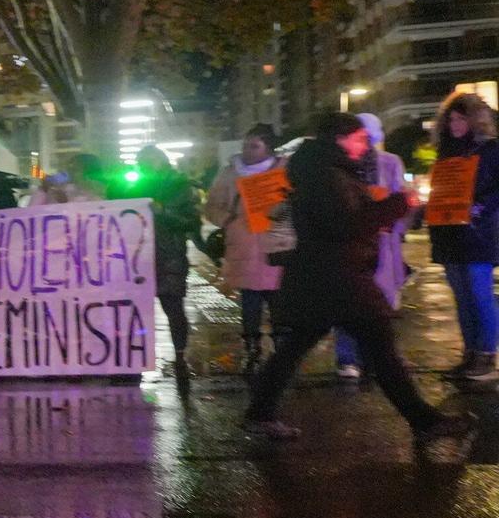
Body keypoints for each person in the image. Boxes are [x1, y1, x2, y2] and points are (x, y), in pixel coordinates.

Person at [244, 111, 471, 447]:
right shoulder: (327, 174)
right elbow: (347, 225)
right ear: (341, 138)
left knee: (294, 349)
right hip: (339, 278)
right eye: (360, 137)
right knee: (382, 348)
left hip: (322, 277)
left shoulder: (322, 169)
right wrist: (400, 202)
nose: (366, 143)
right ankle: (424, 421)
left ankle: (259, 414)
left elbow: (342, 219)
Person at [427, 91, 499, 383]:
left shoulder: (490, 150)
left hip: (477, 232)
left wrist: (480, 206)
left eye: (461, 118)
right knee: (461, 296)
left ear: (475, 119)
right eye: (451, 119)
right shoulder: (446, 152)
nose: (455, 124)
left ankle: (486, 356)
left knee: (479, 294)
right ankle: (470, 353)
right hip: (448, 232)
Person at [333, 114, 411, 381]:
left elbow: (400, 199)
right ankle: (348, 358)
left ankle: (376, 359)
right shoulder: (341, 166)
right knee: (349, 300)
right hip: (353, 243)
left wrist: (396, 225)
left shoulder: (390, 163)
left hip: (382, 243)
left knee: (378, 304)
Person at [204, 125, 286, 377]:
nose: (247, 151)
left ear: (269, 148)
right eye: (245, 146)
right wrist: (229, 220)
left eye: (254, 146)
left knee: (280, 303)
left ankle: (282, 351)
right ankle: (252, 348)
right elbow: (212, 206)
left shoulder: (286, 171)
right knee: (249, 303)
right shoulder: (230, 173)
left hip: (277, 245)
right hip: (244, 245)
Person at [110, 145, 201, 370]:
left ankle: (180, 352)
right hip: (137, 258)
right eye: (141, 161)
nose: (145, 165)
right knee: (136, 309)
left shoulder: (180, 186)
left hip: (168, 256)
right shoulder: (132, 185)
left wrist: (161, 211)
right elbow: (113, 208)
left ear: (161, 161)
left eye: (149, 160)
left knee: (173, 307)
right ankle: (137, 352)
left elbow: (190, 221)